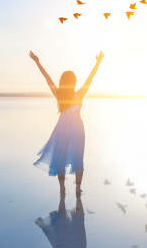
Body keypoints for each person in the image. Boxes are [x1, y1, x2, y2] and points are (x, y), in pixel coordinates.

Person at [29, 50, 104, 196]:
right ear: (74, 82)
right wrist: (98, 62)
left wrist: (37, 62)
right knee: (78, 159)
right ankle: (77, 188)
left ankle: (62, 188)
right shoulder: (78, 94)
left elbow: (47, 78)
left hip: (62, 130)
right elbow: (90, 78)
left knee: (60, 159)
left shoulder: (59, 95)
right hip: (77, 130)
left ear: (62, 83)